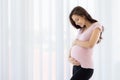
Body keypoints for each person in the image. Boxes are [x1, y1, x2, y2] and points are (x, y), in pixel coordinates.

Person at [68, 6, 104, 80]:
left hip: (86, 67)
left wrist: (77, 42)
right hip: (76, 66)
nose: (76, 23)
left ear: (83, 16)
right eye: (74, 21)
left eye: (77, 19)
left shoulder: (96, 26)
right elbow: (73, 44)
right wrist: (69, 58)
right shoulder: (81, 30)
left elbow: (90, 44)